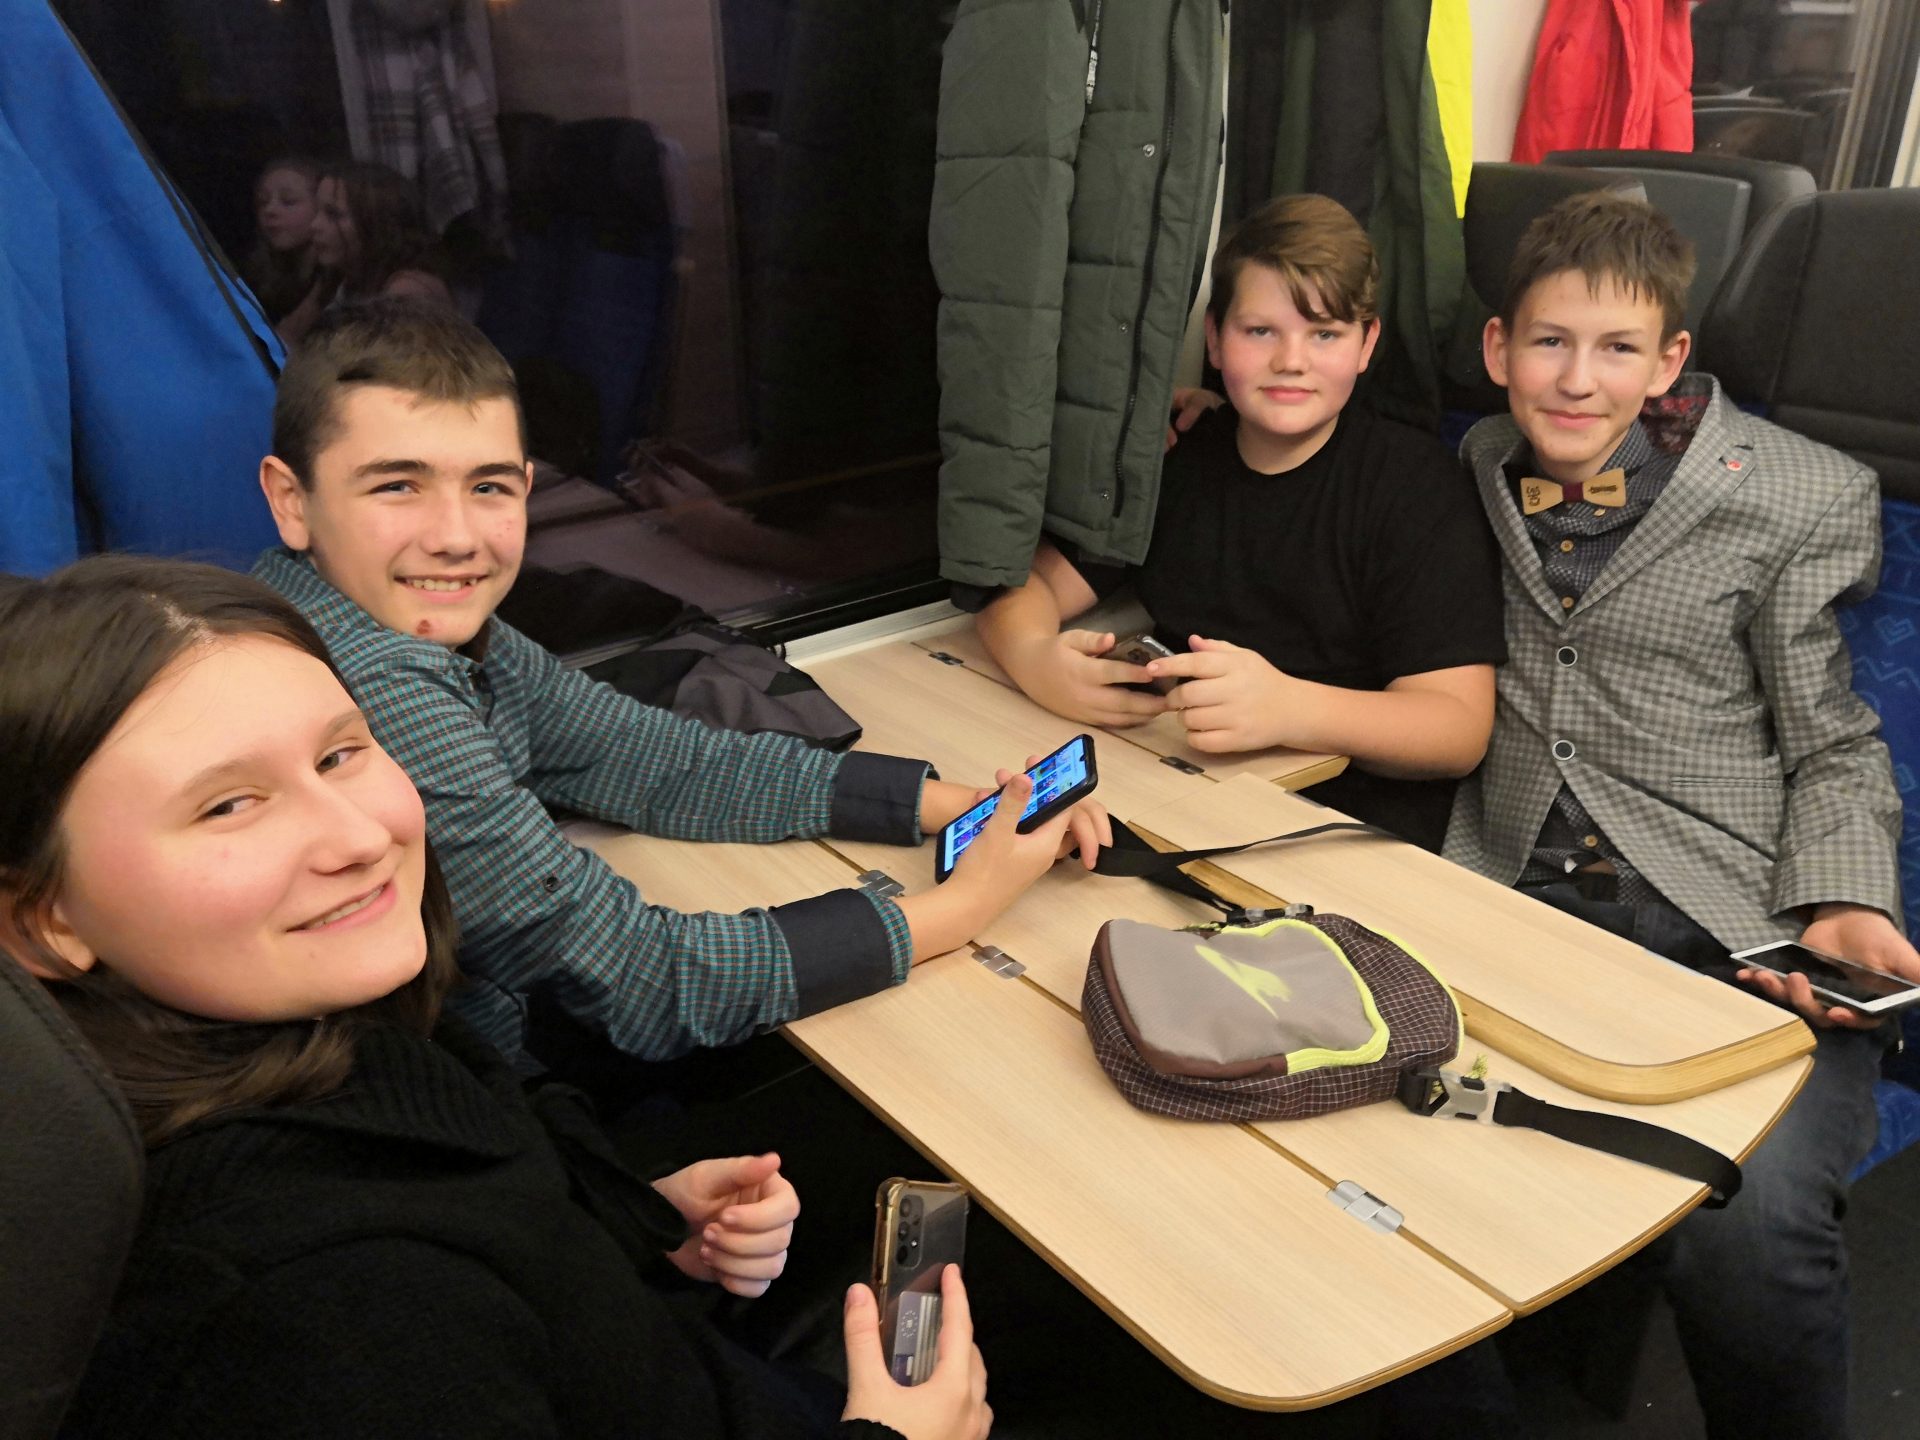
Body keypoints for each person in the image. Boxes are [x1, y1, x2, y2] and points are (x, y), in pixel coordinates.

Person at [0, 556, 990, 1440]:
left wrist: (629, 1229)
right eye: (229, 804)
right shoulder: (329, 1307)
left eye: (341, 755)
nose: (360, 836)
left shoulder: (315, 1032)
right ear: (44, 919)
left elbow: (655, 759)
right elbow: (650, 982)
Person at [252, 297, 1108, 1074]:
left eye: (489, 488)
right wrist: (965, 907)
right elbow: (643, 977)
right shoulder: (367, 690)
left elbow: (656, 760)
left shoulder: (403, 626)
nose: (455, 537)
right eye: (398, 486)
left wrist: (954, 805)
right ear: (292, 501)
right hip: (440, 1097)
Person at [1447, 189, 1915, 1440]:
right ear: (1498, 349)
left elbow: (1834, 736)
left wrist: (1844, 896)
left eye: (1617, 349)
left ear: (1669, 361)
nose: (1576, 380)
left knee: (1748, 1222)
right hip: (1516, 901)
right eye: (1550, 343)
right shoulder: (1478, 459)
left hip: (1732, 924)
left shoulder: (1796, 496)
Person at [976, 194, 1506, 850]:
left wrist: (1289, 707)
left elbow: (1457, 731)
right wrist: (1036, 659)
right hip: (1179, 790)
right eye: (1260, 332)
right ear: (1215, 339)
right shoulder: (1178, 458)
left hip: (1341, 826)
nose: (1291, 360)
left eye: (1325, 334)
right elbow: (1017, 582)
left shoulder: (1415, 488)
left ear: (1366, 344)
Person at [278, 161, 454, 344]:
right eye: (317, 212)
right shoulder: (342, 275)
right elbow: (286, 337)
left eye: (333, 215)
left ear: (378, 225)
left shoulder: (408, 289)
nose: (314, 225)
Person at [240, 154, 321, 325]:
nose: (269, 210)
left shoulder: (336, 278)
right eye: (262, 202)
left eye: (288, 201)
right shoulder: (254, 276)